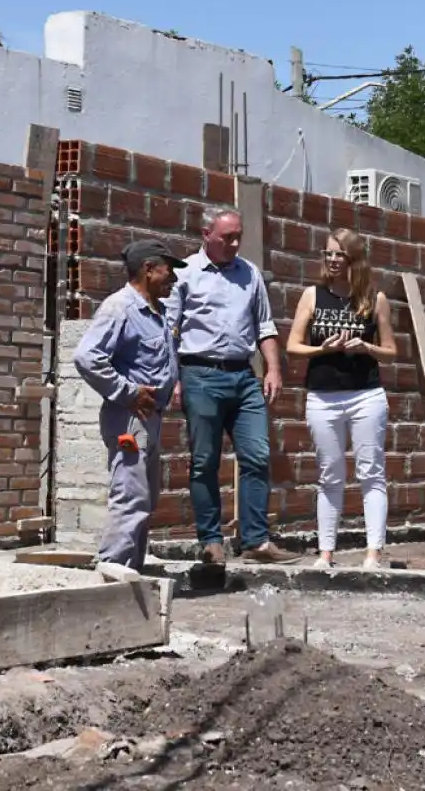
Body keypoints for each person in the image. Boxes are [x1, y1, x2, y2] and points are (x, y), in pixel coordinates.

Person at [165, 206, 299, 566]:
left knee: (257, 455)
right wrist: (174, 376)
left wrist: (272, 369)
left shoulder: (249, 273)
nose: (235, 243)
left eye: (238, 236)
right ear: (206, 234)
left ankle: (256, 540)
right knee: (204, 462)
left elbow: (264, 326)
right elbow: (169, 330)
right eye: (227, 237)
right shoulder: (185, 274)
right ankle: (211, 541)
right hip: (200, 375)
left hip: (243, 376)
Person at [72, 238, 187, 579]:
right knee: (131, 494)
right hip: (129, 418)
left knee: (146, 498)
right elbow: (87, 357)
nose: (174, 280)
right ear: (149, 269)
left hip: (147, 418)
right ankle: (112, 570)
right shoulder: (120, 308)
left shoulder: (157, 312)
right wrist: (128, 392)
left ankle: (130, 573)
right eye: (168, 271)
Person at [286, 228, 397, 569]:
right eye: (328, 254)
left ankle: (373, 554)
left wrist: (367, 347)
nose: (332, 261)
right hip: (323, 396)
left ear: (354, 260)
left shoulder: (373, 299)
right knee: (329, 474)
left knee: (370, 472)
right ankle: (326, 553)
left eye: (339, 255)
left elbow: (391, 351)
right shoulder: (312, 296)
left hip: (366, 395)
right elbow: (292, 345)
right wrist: (322, 348)